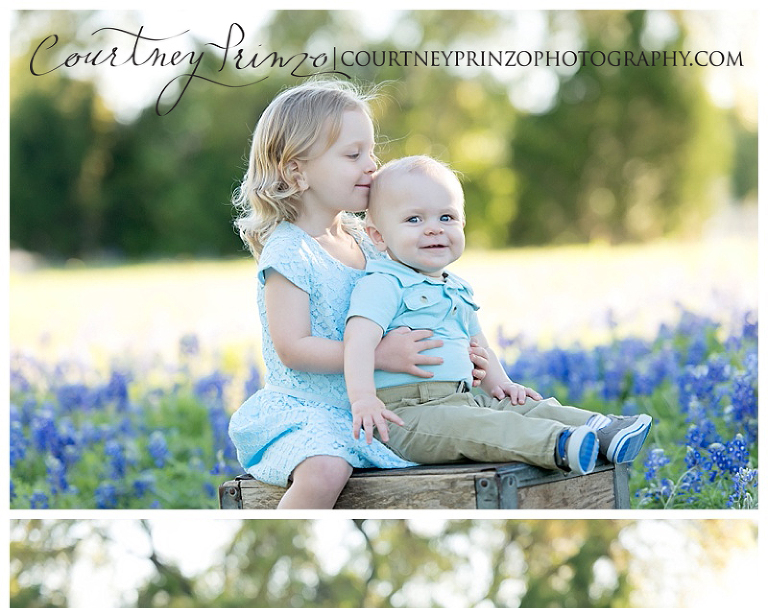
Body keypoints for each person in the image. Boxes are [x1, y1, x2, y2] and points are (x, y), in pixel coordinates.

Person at [344, 155, 653, 477]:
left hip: (463, 399)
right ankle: (560, 444)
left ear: (462, 224)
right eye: (414, 220)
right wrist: (363, 399)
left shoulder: (456, 287)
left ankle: (603, 430)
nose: (434, 229)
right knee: (488, 427)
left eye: (446, 217)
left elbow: (481, 347)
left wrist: (502, 384)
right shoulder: (384, 283)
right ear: (378, 236)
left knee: (523, 406)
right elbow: (358, 342)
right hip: (407, 414)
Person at [228, 82, 456, 509]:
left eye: (371, 152)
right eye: (353, 155)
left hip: (372, 399)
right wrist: (380, 356)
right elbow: (293, 348)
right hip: (308, 409)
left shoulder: (366, 240)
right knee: (327, 469)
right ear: (297, 171)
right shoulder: (290, 251)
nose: (371, 165)